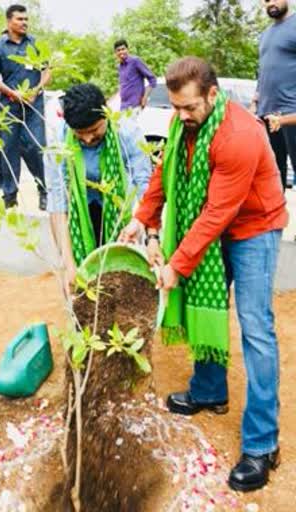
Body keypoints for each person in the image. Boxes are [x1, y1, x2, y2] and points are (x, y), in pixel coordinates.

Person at [119, 57, 287, 492]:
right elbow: (164, 171)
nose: (181, 116)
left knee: (255, 328)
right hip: (215, 225)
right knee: (204, 303)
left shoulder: (240, 135)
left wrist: (177, 264)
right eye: (175, 108)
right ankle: (210, 390)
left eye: (189, 108)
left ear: (213, 95)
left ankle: (262, 444)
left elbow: (218, 212)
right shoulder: (185, 124)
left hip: (252, 229)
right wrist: (142, 218)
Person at [47, 83, 152, 291]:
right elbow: (58, 203)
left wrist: (143, 228)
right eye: (80, 134)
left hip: (118, 210)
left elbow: (145, 188)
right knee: (83, 272)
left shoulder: (127, 132)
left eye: (94, 130)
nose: (87, 138)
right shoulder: (59, 141)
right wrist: (68, 264)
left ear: (105, 114)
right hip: (81, 211)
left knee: (120, 275)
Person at [0, 4, 51, 209]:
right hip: (9, 106)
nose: (24, 23)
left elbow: (47, 70)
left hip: (34, 105)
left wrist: (36, 90)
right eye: (20, 19)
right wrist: (12, 93)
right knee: (9, 149)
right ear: (9, 21)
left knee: (35, 146)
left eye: (26, 19)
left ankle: (43, 190)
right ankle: (10, 195)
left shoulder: (36, 44)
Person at [249, 0, 296, 190]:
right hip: (267, 114)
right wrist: (255, 101)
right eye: (266, 0)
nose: (271, 3)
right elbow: (264, 72)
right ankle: (276, 219)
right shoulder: (266, 35)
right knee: (273, 176)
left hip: (291, 113)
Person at [114, 38, 157, 113]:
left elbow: (152, 79)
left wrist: (145, 97)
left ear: (127, 49)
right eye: (118, 50)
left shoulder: (135, 61)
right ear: (115, 53)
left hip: (135, 106)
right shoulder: (119, 67)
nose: (121, 52)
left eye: (123, 49)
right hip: (123, 107)